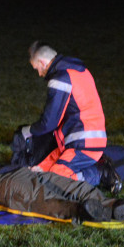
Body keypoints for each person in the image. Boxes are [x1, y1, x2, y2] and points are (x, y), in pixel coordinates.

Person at [21, 42, 107, 186]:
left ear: (42, 62)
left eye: (37, 68)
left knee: (55, 180)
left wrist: (28, 131)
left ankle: (99, 174)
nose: (40, 74)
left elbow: (49, 122)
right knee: (43, 171)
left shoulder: (60, 79)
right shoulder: (79, 70)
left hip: (82, 143)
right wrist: (41, 168)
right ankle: (96, 170)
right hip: (88, 140)